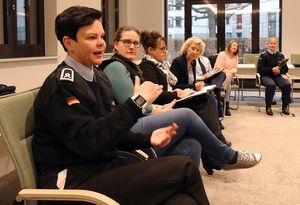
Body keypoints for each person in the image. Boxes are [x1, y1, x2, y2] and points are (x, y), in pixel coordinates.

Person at [32, 6, 210, 205]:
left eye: (102, 36)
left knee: (183, 200)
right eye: (91, 38)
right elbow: (90, 142)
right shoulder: (61, 85)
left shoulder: (98, 76)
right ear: (69, 43)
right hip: (72, 183)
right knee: (184, 167)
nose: (100, 43)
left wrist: (148, 138)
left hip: (101, 168)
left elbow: (109, 130)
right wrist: (138, 102)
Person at [101, 26, 262, 173]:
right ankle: (226, 156)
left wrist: (172, 96)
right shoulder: (116, 66)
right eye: (127, 42)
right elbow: (131, 105)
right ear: (115, 44)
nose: (132, 46)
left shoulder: (132, 66)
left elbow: (146, 98)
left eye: (135, 43)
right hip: (131, 124)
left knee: (193, 144)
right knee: (188, 114)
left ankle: (189, 181)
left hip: (145, 113)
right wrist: (159, 109)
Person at [138, 31, 232, 174]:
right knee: (201, 102)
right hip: (166, 103)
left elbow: (173, 86)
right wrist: (179, 92)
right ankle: (220, 147)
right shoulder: (150, 66)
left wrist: (189, 89)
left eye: (165, 48)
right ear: (150, 50)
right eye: (162, 48)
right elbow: (158, 95)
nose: (165, 51)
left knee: (207, 97)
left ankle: (213, 153)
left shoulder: (161, 65)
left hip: (174, 97)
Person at [169, 36, 226, 119]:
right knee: (209, 97)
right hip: (181, 94)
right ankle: (216, 125)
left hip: (191, 91)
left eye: (198, 50)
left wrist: (197, 85)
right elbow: (175, 85)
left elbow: (191, 82)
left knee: (211, 95)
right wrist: (194, 86)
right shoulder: (178, 62)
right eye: (192, 48)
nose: (195, 52)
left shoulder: (193, 62)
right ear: (186, 48)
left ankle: (216, 124)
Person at [257, 37, 291, 116]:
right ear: (268, 44)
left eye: (274, 43)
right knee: (271, 85)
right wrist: (272, 69)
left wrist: (280, 71)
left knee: (287, 85)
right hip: (266, 76)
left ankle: (284, 106)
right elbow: (260, 69)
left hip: (277, 77)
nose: (273, 45)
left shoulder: (281, 55)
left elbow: (286, 69)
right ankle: (268, 106)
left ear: (277, 45)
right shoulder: (263, 55)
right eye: (271, 43)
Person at [214, 39, 240, 116]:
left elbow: (235, 68)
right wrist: (229, 71)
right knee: (228, 86)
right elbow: (218, 67)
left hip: (229, 77)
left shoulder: (236, 56)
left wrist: (233, 71)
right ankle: (226, 105)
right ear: (229, 46)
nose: (235, 47)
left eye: (236, 46)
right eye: (233, 45)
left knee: (229, 76)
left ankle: (222, 90)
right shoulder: (222, 54)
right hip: (219, 76)